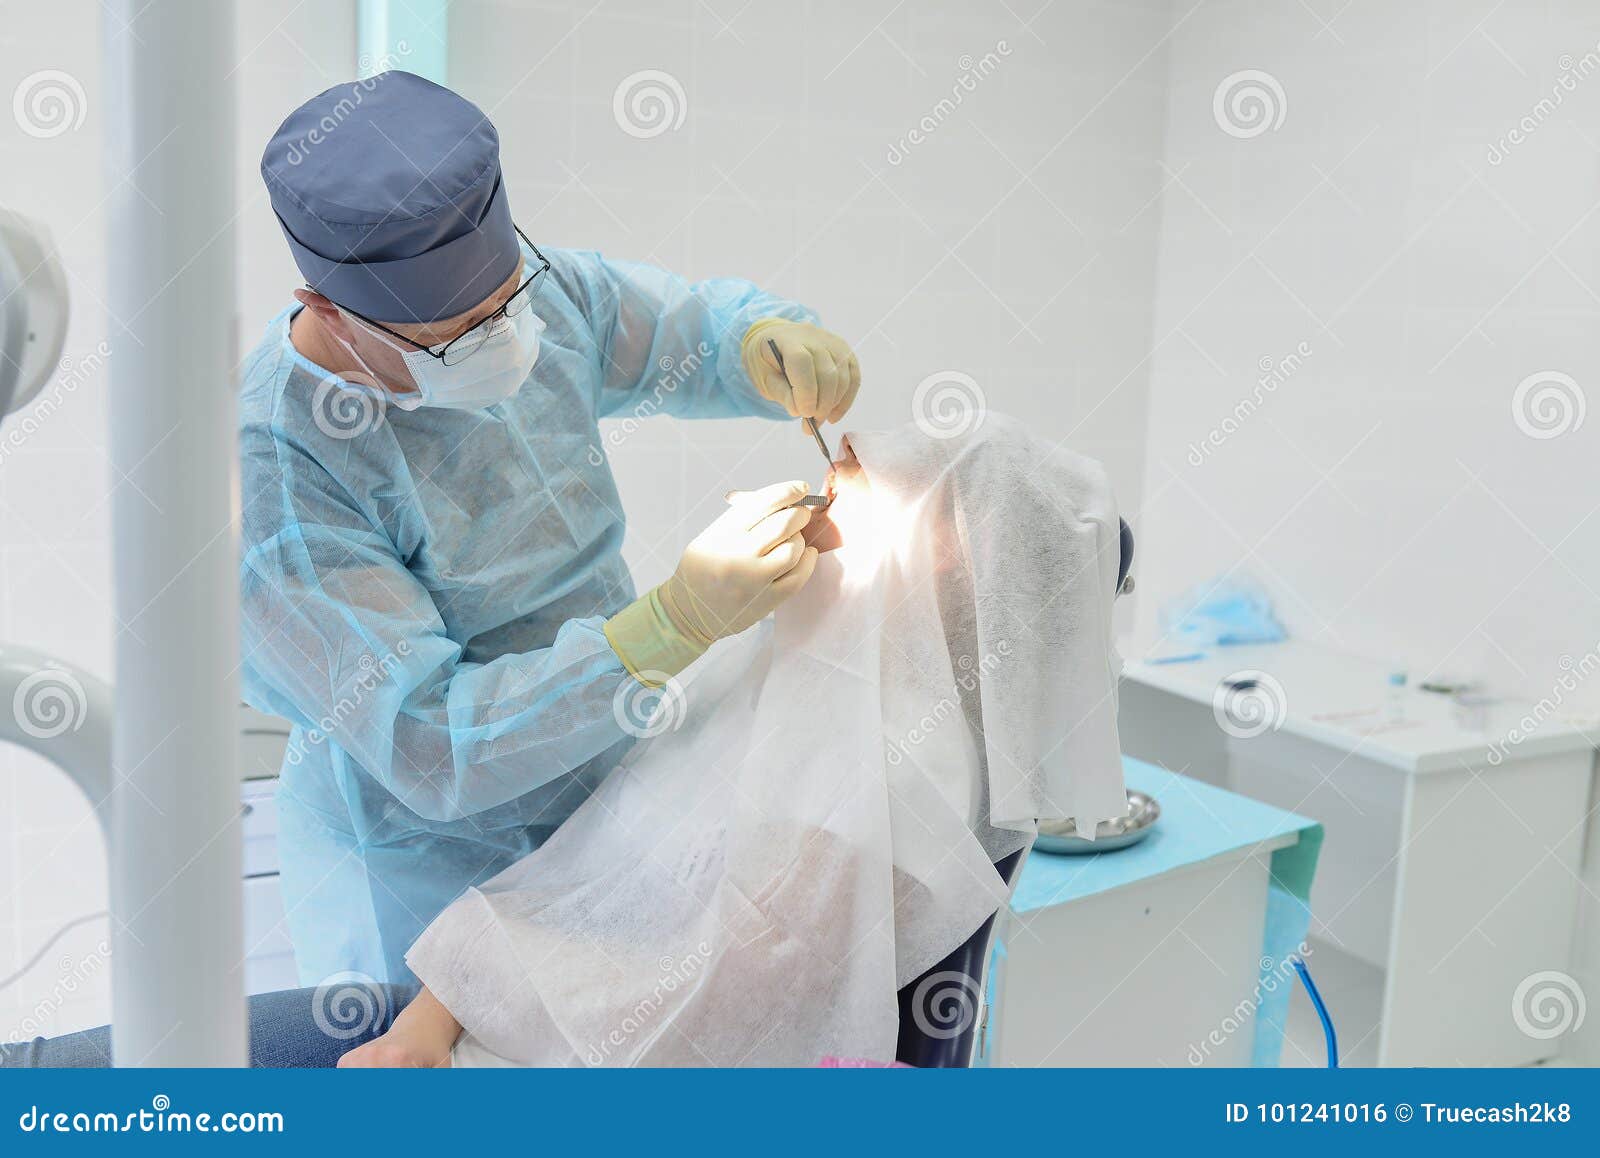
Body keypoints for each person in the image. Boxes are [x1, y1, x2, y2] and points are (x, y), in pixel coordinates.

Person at [240, 70, 861, 988]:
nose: (502, 339)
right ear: (328, 308)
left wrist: (761, 343)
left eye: (508, 304)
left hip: (606, 784)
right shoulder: (280, 471)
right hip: (429, 866)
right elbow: (430, 743)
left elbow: (684, 330)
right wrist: (674, 624)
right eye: (454, 338)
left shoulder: (540, 293)